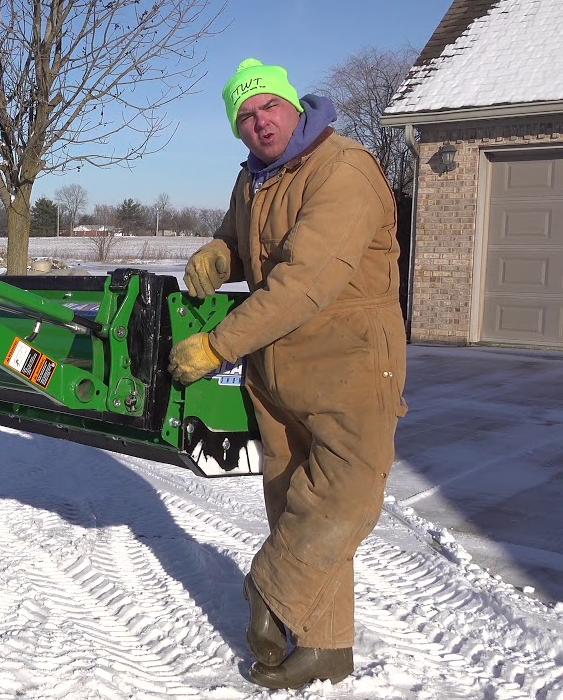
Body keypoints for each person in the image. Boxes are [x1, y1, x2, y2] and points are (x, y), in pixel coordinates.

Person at [168, 58, 408, 689]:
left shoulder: (344, 169)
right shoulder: (252, 181)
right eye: (245, 117)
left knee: (342, 497)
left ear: (293, 105)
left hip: (349, 365)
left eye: (268, 106)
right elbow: (240, 239)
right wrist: (220, 252)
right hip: (275, 370)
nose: (259, 122)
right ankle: (325, 645)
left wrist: (216, 346)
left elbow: (303, 283)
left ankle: (268, 589)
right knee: (292, 501)